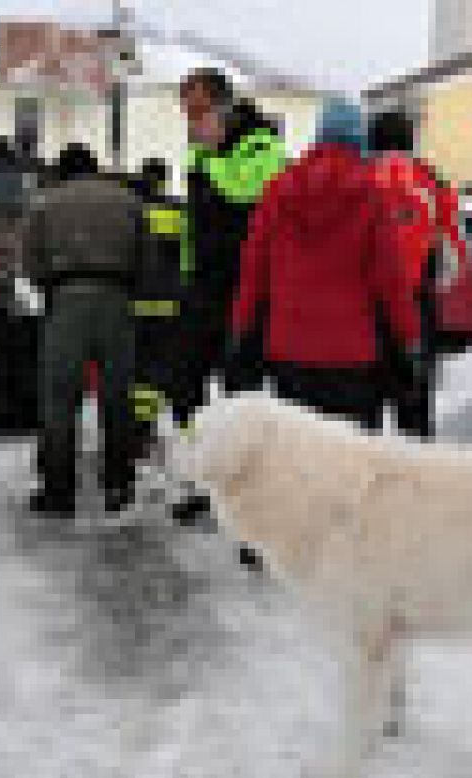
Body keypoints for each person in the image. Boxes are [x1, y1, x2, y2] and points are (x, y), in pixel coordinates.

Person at [229, 98, 422, 432]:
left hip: (288, 351)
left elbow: (254, 270)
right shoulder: (371, 195)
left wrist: (242, 329)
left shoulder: (277, 191)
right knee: (350, 459)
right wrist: (408, 338)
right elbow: (390, 281)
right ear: (357, 139)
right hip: (353, 356)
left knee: (298, 454)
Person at [172, 67, 288, 523]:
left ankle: (250, 494)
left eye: (197, 111)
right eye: (186, 112)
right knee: (184, 385)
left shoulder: (263, 143)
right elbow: (198, 223)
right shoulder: (207, 150)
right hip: (202, 286)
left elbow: (247, 190)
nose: (191, 122)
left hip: (246, 290)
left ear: (223, 106)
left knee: (242, 393)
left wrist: (205, 160)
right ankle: (203, 478)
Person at [22, 144, 146, 517]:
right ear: (96, 170)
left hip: (66, 300)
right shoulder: (129, 202)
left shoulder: (44, 203)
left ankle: (58, 492)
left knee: (59, 400)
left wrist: (53, 289)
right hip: (116, 301)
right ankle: (118, 487)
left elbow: (30, 260)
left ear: (62, 171)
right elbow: (146, 257)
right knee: (117, 398)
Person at [367, 109, 470, 440]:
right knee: (414, 408)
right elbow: (454, 258)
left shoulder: (358, 178)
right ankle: (415, 475)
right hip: (416, 308)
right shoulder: (434, 183)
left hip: (365, 309)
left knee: (362, 410)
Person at [126, 157, 183, 468]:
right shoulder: (178, 211)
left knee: (138, 374)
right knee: (167, 370)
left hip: (135, 304)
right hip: (170, 304)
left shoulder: (132, 214)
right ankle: (180, 430)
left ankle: (140, 434)